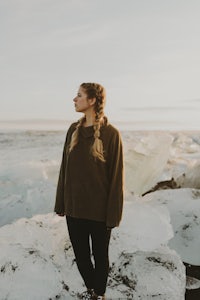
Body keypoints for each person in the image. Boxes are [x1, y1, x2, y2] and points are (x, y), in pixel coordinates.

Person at [54, 82, 124, 300]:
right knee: (82, 257)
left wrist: (113, 214)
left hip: (99, 212)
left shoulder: (111, 134)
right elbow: (64, 170)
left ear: (92, 100)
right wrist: (60, 203)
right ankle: (94, 291)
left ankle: (99, 294)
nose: (74, 99)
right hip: (74, 209)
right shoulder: (72, 131)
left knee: (100, 257)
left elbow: (116, 178)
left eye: (79, 95)